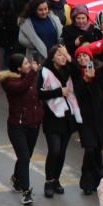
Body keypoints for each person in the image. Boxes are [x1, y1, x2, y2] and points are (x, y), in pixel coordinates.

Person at [0, 54, 43, 205]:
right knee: (24, 158)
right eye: (25, 63)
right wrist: (33, 73)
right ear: (18, 67)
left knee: (26, 156)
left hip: (33, 125)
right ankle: (26, 192)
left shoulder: (30, 77)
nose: (29, 65)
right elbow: (21, 87)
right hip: (17, 126)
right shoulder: (9, 81)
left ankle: (16, 178)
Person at [37, 45, 81, 198]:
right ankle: (48, 181)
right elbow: (39, 93)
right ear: (52, 57)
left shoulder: (68, 69)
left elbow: (79, 72)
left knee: (62, 152)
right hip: (52, 115)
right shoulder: (44, 71)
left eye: (65, 54)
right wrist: (58, 92)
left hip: (68, 115)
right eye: (60, 54)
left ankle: (56, 179)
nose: (63, 57)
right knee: (54, 150)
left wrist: (70, 58)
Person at [72, 46, 103, 195]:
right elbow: (77, 92)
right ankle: (86, 182)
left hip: (100, 117)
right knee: (90, 149)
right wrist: (85, 78)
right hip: (85, 119)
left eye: (85, 56)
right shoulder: (76, 75)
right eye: (79, 57)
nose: (83, 59)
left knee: (97, 150)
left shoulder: (97, 72)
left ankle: (98, 181)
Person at [0, 0, 30, 68]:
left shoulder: (29, 2)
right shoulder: (9, 0)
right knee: (10, 63)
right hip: (10, 38)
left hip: (25, 37)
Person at [18, 0, 63, 64]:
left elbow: (61, 34)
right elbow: (21, 39)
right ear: (35, 10)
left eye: (45, 9)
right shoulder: (26, 22)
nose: (44, 12)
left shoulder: (54, 18)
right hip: (36, 55)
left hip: (55, 55)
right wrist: (36, 45)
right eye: (40, 10)